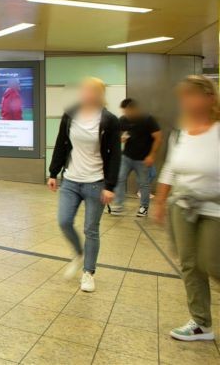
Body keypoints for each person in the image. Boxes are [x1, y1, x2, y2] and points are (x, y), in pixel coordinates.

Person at [153, 75, 220, 342]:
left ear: (209, 98)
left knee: (212, 263)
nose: (186, 102)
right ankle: (202, 323)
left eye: (192, 95)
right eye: (184, 97)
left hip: (215, 206)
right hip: (182, 206)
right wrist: (160, 200)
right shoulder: (180, 132)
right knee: (190, 264)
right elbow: (170, 167)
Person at [48, 77, 120, 293]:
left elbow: (115, 155)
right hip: (70, 179)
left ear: (100, 94)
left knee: (91, 229)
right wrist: (53, 172)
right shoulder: (71, 114)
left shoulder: (109, 120)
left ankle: (88, 272)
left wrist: (111, 186)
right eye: (84, 90)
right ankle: (79, 254)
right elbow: (61, 143)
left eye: (92, 91)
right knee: (64, 221)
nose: (87, 94)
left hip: (96, 182)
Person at [111, 98, 162, 217]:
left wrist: (151, 155)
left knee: (143, 183)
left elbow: (158, 138)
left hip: (143, 159)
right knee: (120, 178)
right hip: (127, 157)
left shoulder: (148, 120)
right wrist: (121, 137)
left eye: (128, 111)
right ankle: (118, 205)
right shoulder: (123, 120)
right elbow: (116, 133)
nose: (126, 114)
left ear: (134, 110)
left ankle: (144, 207)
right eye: (124, 112)